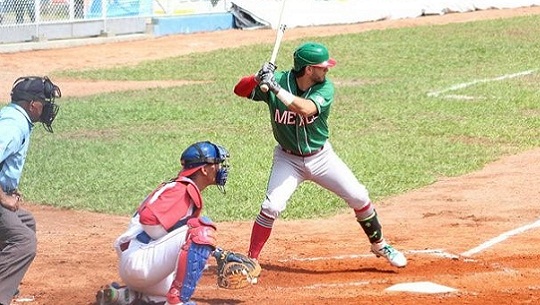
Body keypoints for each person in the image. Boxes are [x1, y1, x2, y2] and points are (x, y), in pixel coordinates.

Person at [232, 42, 407, 275]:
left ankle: (380, 245)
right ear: (307, 69)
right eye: (322, 67)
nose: (327, 70)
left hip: (321, 157)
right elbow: (239, 90)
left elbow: (305, 109)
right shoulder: (279, 81)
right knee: (271, 206)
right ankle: (251, 260)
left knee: (359, 196)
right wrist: (256, 78)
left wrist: (274, 89)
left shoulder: (324, 89)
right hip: (288, 160)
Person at [97, 141, 230, 305]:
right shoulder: (181, 189)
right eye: (217, 163)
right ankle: (178, 302)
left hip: (140, 266)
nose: (220, 168)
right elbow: (148, 220)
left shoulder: (178, 187)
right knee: (201, 231)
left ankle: (126, 296)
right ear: (204, 169)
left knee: (185, 262)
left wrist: (217, 252)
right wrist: (190, 231)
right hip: (140, 263)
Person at [0, 76, 61, 305]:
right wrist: (3, 197)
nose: (47, 109)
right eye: (45, 103)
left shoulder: (14, 117)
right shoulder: (13, 126)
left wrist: (9, 189)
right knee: (24, 241)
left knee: (25, 222)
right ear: (34, 105)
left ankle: (7, 284)